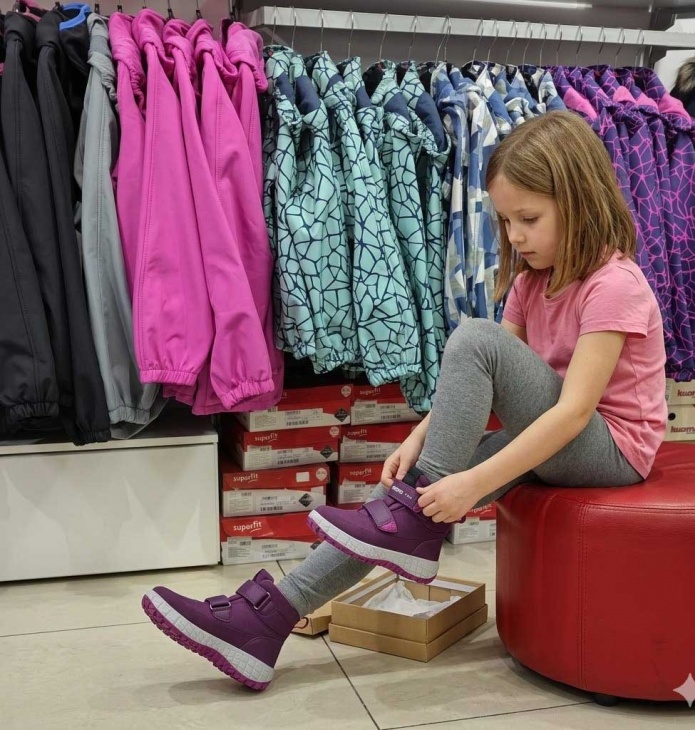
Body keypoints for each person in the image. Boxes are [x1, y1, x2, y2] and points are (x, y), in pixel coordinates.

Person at [141, 110, 668, 691]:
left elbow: (572, 412)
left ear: (579, 202)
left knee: (470, 347)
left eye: (528, 219)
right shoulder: (530, 282)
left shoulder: (614, 284)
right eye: (504, 220)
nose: (514, 236)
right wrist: (420, 437)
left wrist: (469, 484)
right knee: (399, 508)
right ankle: (265, 621)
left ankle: (405, 525)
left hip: (610, 449)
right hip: (558, 436)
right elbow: (494, 385)